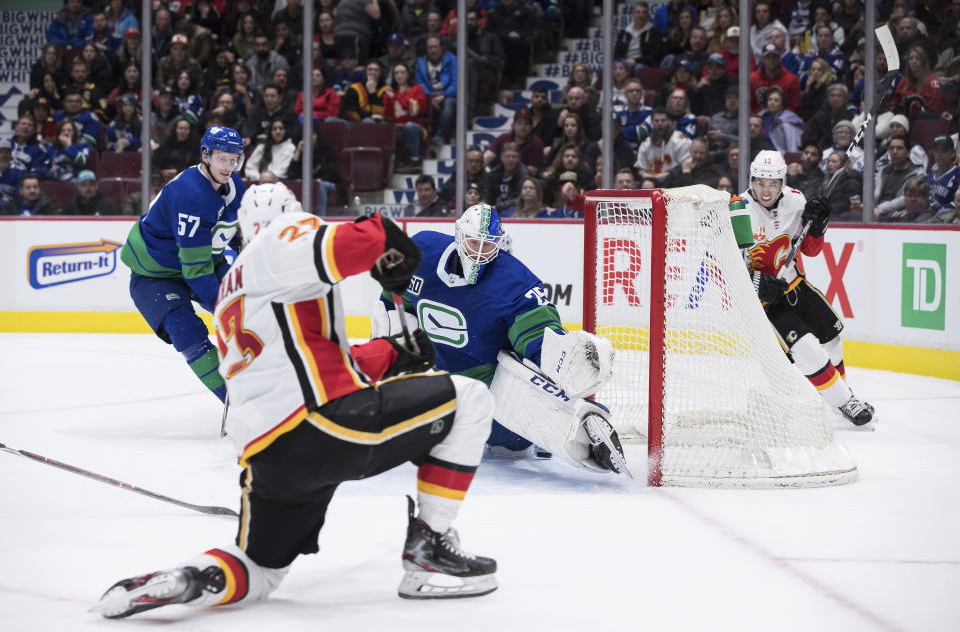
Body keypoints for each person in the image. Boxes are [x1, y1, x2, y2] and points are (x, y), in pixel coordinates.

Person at [92, 184, 500, 618]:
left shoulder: (234, 286)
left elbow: (312, 364)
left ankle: (189, 579)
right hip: (319, 424)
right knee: (470, 399)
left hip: (265, 456)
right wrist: (393, 248)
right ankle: (430, 546)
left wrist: (394, 353)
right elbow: (369, 238)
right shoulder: (284, 238)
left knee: (260, 569)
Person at [372, 204, 625, 471]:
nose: (479, 252)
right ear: (459, 234)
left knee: (509, 447)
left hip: (489, 385)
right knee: (389, 332)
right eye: (473, 242)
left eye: (488, 245)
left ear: (499, 243)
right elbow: (393, 298)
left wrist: (562, 357)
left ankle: (576, 428)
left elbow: (537, 335)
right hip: (434, 374)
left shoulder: (513, 282)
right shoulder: (422, 250)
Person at [739, 150, 874, 428]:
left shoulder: (796, 201)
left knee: (832, 337)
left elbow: (811, 250)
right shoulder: (738, 211)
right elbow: (723, 264)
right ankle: (845, 401)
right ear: (751, 180)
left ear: (782, 182)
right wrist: (758, 284)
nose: (766, 191)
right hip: (764, 303)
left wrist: (818, 225)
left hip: (795, 284)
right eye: (760, 183)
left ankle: (843, 398)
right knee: (805, 348)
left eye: (773, 184)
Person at [119, 126, 247, 404]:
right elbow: (197, 272)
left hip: (202, 262)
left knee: (249, 307)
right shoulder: (190, 195)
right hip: (155, 274)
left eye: (234, 158)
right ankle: (234, 399)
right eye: (222, 158)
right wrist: (226, 313)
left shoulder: (236, 187)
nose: (229, 166)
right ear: (206, 155)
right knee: (186, 332)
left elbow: (238, 234)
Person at [635, 107, 691, 185]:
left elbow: (685, 166)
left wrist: (666, 176)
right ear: (651, 122)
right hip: (652, 181)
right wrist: (649, 177)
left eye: (663, 120)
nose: (660, 123)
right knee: (647, 184)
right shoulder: (646, 143)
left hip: (675, 180)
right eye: (656, 121)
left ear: (669, 121)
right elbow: (641, 169)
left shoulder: (681, 141)